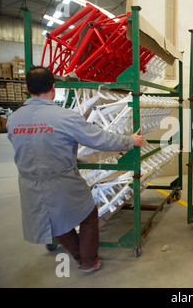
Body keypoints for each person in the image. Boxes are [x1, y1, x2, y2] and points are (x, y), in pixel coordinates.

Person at [7, 66, 143, 273]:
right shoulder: (64, 117)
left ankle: (80, 256)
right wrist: (129, 141)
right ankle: (87, 260)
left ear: (27, 88)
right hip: (61, 180)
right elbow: (100, 139)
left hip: (28, 182)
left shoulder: (13, 119)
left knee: (52, 220)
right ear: (53, 87)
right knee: (87, 215)